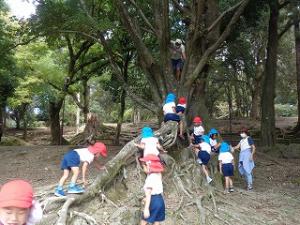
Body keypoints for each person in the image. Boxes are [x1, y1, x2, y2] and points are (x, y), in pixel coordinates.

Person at [140, 154, 165, 225]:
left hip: (153, 201)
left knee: (144, 221)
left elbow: (149, 193)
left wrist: (146, 208)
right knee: (157, 221)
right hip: (160, 200)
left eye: (144, 165)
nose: (143, 167)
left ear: (149, 166)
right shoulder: (158, 174)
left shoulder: (150, 178)